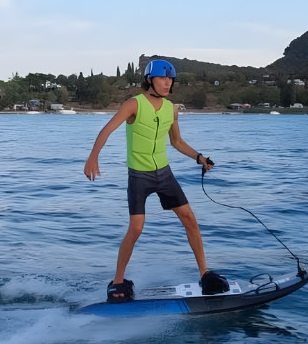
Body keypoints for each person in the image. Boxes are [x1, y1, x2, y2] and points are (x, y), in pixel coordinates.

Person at [83, 59, 229, 302]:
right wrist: (93, 157)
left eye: (170, 79)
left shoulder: (172, 109)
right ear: (150, 79)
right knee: (136, 228)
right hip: (139, 176)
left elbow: (177, 142)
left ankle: (204, 274)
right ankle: (117, 282)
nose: (167, 83)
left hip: (164, 174)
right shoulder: (134, 104)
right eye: (162, 78)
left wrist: (199, 157)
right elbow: (107, 129)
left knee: (190, 220)